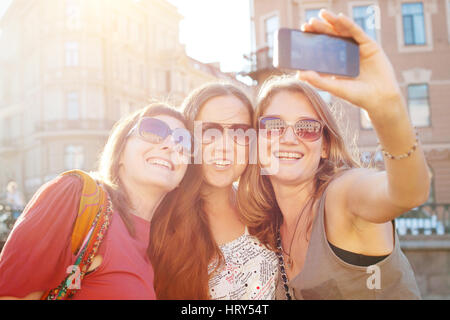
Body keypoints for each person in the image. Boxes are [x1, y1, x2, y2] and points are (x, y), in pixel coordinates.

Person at [238, 10, 430, 299]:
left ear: (325, 145)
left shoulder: (341, 196)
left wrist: (387, 108)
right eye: (274, 126)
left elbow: (406, 194)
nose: (290, 138)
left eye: (307, 127)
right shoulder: (265, 226)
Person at [0, 103, 191, 299]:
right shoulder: (74, 194)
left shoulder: (168, 249)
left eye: (183, 141)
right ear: (120, 151)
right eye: (152, 130)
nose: (170, 145)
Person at [149, 83, 278, 299]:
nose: (224, 147)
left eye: (240, 132)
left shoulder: (268, 209)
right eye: (209, 132)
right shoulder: (159, 218)